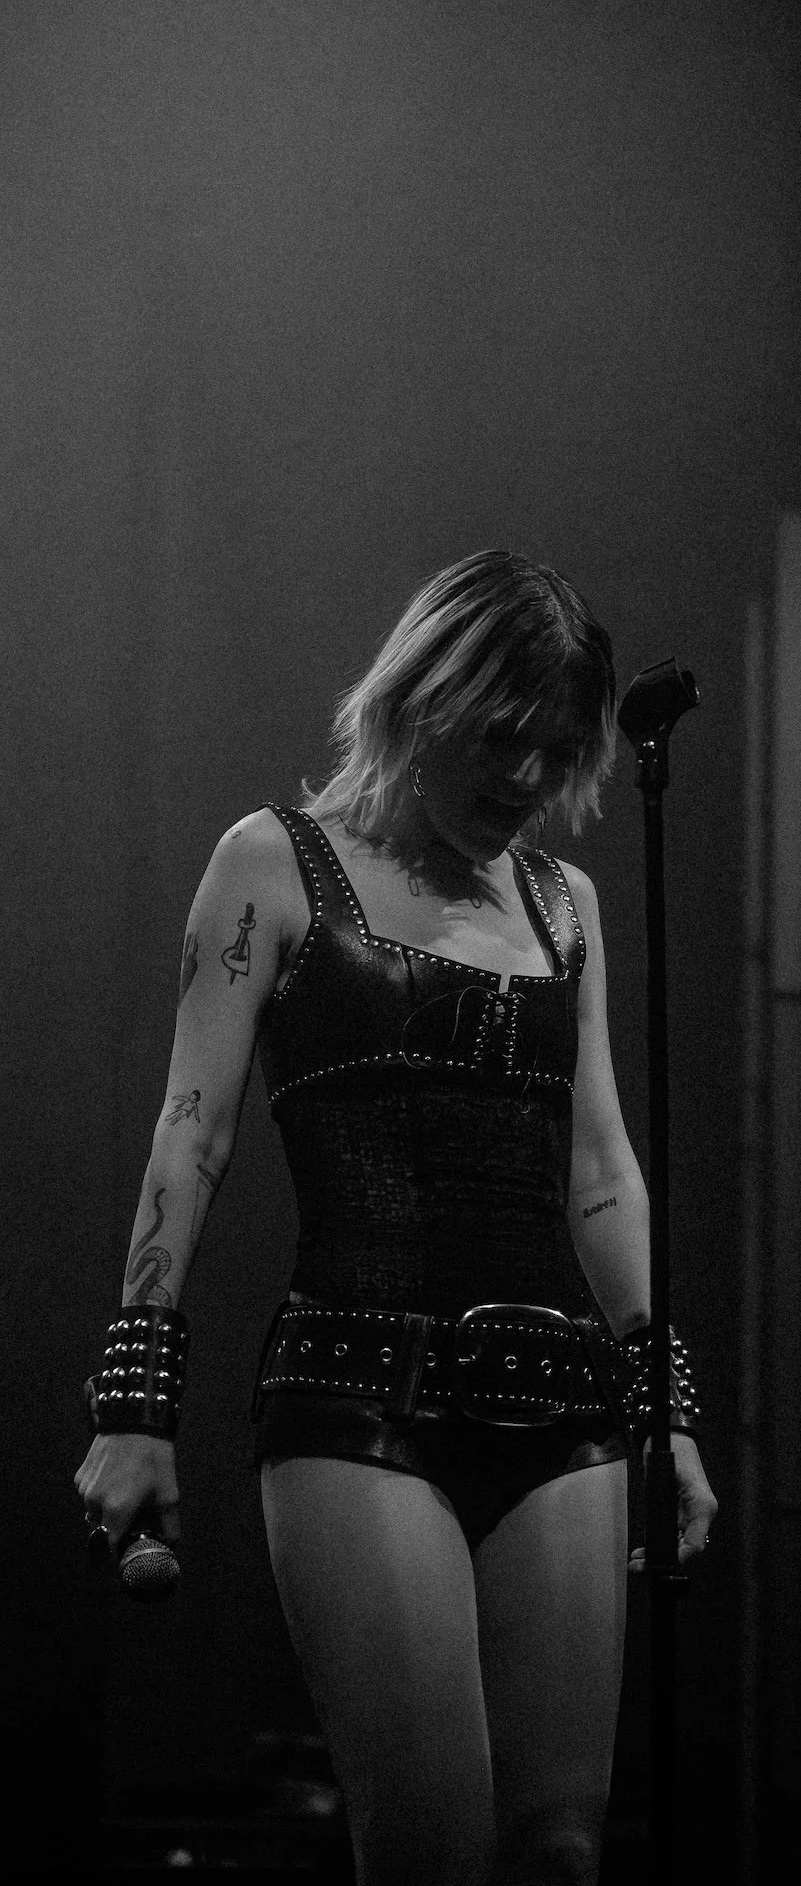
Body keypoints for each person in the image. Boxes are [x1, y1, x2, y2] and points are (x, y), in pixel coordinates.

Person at [75, 550, 717, 1886]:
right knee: (430, 1841)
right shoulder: (273, 862)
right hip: (357, 1394)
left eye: (556, 753)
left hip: (561, 1403)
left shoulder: (567, 906)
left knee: (560, 1849)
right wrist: (134, 1400)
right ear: (424, 699)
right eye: (501, 738)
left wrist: (668, 1406)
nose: (525, 778)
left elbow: (601, 1169)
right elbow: (191, 1132)